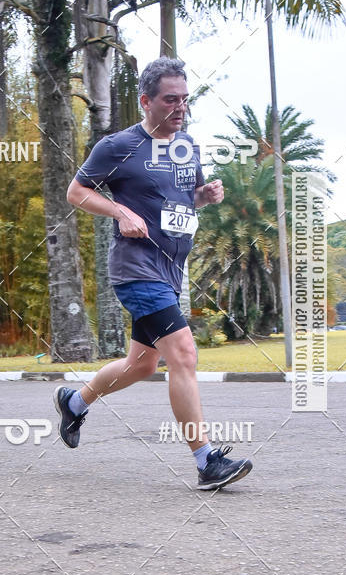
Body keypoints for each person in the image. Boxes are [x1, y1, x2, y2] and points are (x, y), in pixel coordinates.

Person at [54, 57, 253, 490]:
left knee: (142, 365)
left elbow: (183, 201)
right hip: (136, 269)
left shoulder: (187, 146)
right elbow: (77, 191)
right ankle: (206, 462)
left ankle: (74, 400)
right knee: (183, 352)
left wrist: (205, 195)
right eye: (170, 99)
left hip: (170, 270)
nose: (180, 107)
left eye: (185, 99)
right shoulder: (118, 145)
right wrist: (119, 210)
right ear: (146, 101)